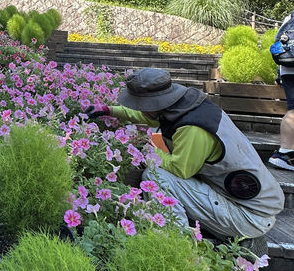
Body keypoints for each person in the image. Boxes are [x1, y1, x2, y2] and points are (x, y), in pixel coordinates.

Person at [87, 68, 284, 247]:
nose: (140, 108)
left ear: (154, 102)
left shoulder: (191, 128)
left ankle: (176, 243)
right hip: (247, 204)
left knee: (155, 177)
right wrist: (109, 110)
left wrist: (149, 150)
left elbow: (181, 170)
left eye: (141, 104)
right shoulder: (186, 106)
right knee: (158, 152)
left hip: (248, 216)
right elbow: (149, 118)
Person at [268, 11, 294, 171]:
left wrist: (279, 74)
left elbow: (279, 43)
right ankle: (283, 154)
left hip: (288, 69)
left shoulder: (290, 17)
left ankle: (285, 152)